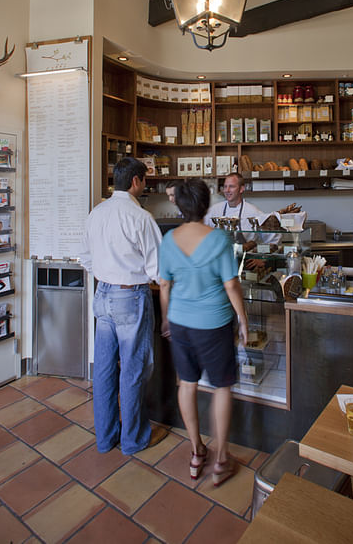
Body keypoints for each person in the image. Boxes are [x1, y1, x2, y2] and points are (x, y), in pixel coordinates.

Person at [159, 178, 248, 487]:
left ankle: (197, 452)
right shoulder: (219, 238)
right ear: (205, 205)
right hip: (214, 323)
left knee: (186, 383)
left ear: (180, 205)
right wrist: (243, 318)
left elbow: (165, 285)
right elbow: (231, 284)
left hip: (181, 321)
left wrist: (166, 319)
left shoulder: (169, 240)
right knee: (222, 387)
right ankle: (221, 459)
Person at [79, 157, 166, 455]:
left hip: (101, 295)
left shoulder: (97, 213)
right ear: (136, 182)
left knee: (103, 370)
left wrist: (108, 274)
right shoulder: (141, 217)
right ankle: (132, 440)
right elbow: (159, 270)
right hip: (131, 298)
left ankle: (105, 439)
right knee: (132, 370)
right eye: (144, 180)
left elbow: (85, 258)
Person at [204, 173, 279, 249]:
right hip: (219, 258)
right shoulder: (214, 210)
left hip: (243, 258)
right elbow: (200, 231)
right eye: (225, 186)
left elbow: (273, 238)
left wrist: (263, 259)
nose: (227, 190)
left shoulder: (252, 211)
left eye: (231, 186)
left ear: (241, 189)